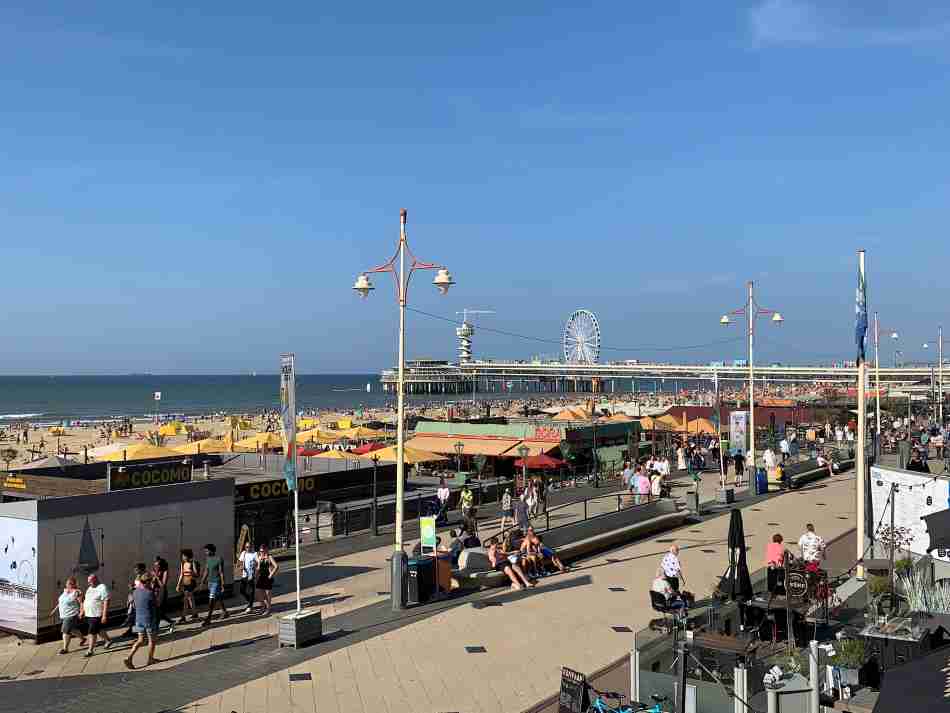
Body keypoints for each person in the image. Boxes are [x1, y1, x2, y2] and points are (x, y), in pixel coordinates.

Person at [124, 574, 158, 669]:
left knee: (140, 640)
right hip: (149, 619)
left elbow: (134, 605)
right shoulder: (149, 593)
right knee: (152, 640)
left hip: (138, 619)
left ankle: (129, 657)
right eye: (150, 581)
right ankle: (150, 659)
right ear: (146, 582)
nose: (151, 583)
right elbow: (156, 604)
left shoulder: (135, 592)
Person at [48, 576, 83, 654]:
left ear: (73, 584)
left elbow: (81, 603)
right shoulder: (65, 591)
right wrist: (54, 610)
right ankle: (83, 639)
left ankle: (65, 648)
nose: (67, 585)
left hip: (71, 614)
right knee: (72, 630)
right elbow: (61, 602)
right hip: (64, 614)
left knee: (65, 631)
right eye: (67, 583)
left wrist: (81, 612)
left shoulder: (76, 592)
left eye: (69, 583)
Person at [81, 574, 112, 657]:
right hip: (89, 614)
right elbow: (86, 600)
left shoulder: (102, 587)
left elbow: (106, 600)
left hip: (97, 614)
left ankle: (90, 650)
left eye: (90, 581)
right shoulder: (90, 588)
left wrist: (104, 615)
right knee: (98, 630)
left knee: (91, 632)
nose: (89, 583)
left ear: (95, 579)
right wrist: (82, 611)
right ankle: (108, 640)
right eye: (88, 582)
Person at [200, 543, 229, 626]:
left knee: (211, 600)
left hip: (216, 582)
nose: (205, 552)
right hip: (210, 582)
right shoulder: (208, 559)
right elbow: (206, 570)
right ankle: (225, 612)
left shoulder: (219, 559)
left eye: (206, 551)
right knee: (218, 597)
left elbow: (221, 572)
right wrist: (202, 581)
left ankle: (208, 618)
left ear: (211, 550)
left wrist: (223, 584)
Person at [151, 555, 175, 632]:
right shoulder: (154, 571)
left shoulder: (165, 572)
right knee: (156, 611)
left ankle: (157, 628)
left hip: (162, 592)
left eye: (157, 565)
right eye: (155, 565)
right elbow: (152, 584)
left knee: (159, 611)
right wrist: (153, 579)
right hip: (155, 592)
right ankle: (171, 622)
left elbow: (163, 585)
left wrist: (156, 577)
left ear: (160, 565)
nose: (155, 566)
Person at [255, 543, 279, 616]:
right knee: (259, 593)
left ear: (266, 550)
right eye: (260, 551)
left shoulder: (269, 557)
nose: (261, 552)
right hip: (261, 577)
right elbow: (258, 568)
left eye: (263, 551)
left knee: (268, 594)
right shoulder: (260, 557)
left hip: (267, 577)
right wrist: (256, 573)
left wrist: (271, 575)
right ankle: (263, 607)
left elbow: (276, 566)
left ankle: (268, 608)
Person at [176, 549, 200, 623]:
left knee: (186, 599)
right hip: (185, 583)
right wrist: (178, 584)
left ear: (187, 556)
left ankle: (183, 616)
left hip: (191, 582)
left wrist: (191, 572)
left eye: (183, 556)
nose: (182, 557)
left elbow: (196, 574)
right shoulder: (182, 563)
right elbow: (181, 574)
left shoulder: (193, 563)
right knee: (190, 598)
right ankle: (195, 613)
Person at [238, 540, 258, 613]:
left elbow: (258, 563)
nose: (248, 548)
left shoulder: (255, 554)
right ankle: (250, 600)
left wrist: (255, 571)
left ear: (252, 547)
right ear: (245, 547)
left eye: (249, 547)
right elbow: (240, 562)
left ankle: (250, 606)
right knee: (242, 590)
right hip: (244, 575)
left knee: (251, 591)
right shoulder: (243, 553)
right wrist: (240, 567)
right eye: (246, 547)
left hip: (251, 575)